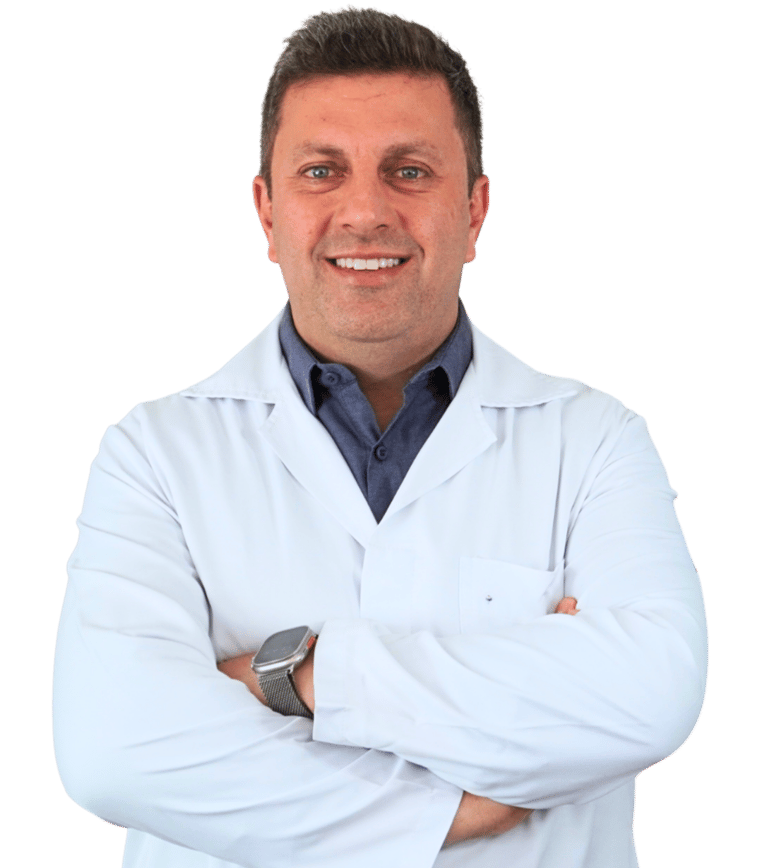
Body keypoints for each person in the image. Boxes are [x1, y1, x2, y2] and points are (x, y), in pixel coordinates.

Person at [52, 6, 708, 867]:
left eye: (409, 170)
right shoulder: (154, 454)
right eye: (321, 171)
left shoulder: (594, 440)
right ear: (267, 213)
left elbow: (651, 696)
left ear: (474, 210)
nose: (364, 211)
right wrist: (447, 812)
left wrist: (297, 677)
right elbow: (113, 749)